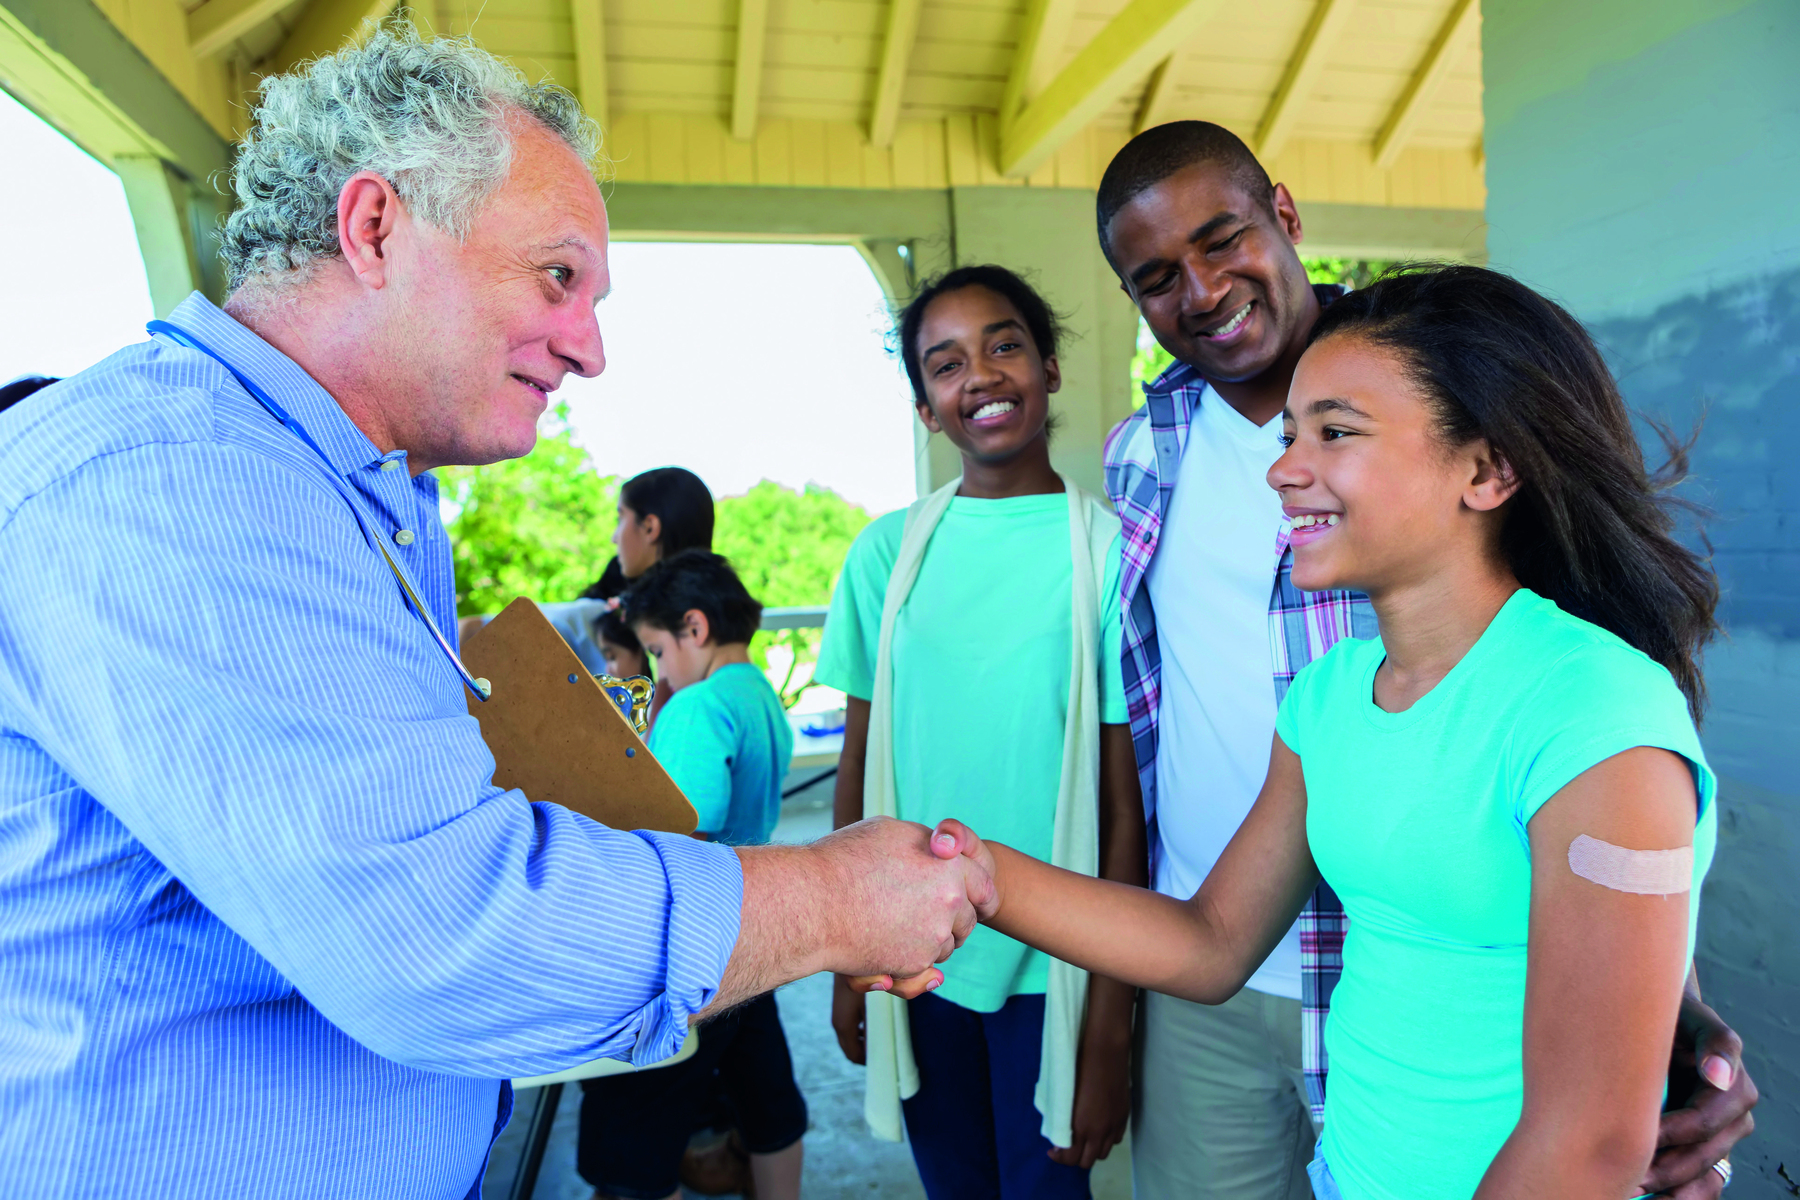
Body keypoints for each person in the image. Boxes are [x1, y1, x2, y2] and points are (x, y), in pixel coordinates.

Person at [0, 31, 985, 1198]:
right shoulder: (174, 480)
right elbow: (444, 936)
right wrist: (831, 899)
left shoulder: (359, 491)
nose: (590, 348)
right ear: (372, 230)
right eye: (557, 277)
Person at [916, 262, 1723, 1198]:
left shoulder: (1592, 713)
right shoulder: (1331, 694)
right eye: (1291, 432)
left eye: (1334, 433)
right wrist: (970, 874)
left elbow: (1586, 1144)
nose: (1283, 469)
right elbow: (1212, 941)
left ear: (1489, 467)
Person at [1090, 120, 1755, 1198]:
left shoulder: (1439, 379)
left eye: (1222, 240)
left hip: (1398, 962)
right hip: (1225, 966)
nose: (1201, 290)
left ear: (1287, 217)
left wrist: (1658, 992)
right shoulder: (1140, 458)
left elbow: (1592, 780)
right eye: (1156, 278)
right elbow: (1139, 725)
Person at [815, 266, 1144, 1199]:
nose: (982, 376)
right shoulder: (888, 554)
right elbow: (859, 765)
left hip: (1056, 967)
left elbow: (1124, 810)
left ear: (1047, 366)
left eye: (1004, 345)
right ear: (927, 408)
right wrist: (845, 953)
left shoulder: (1107, 553)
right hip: (916, 952)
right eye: (947, 363)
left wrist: (1112, 1020)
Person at [579, 550, 806, 1200]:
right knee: (766, 1099)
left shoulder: (698, 708)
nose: (657, 669)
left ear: (695, 629)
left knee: (640, 1119)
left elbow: (678, 828)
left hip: (696, 942)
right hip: (755, 925)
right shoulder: (758, 691)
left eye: (655, 649)